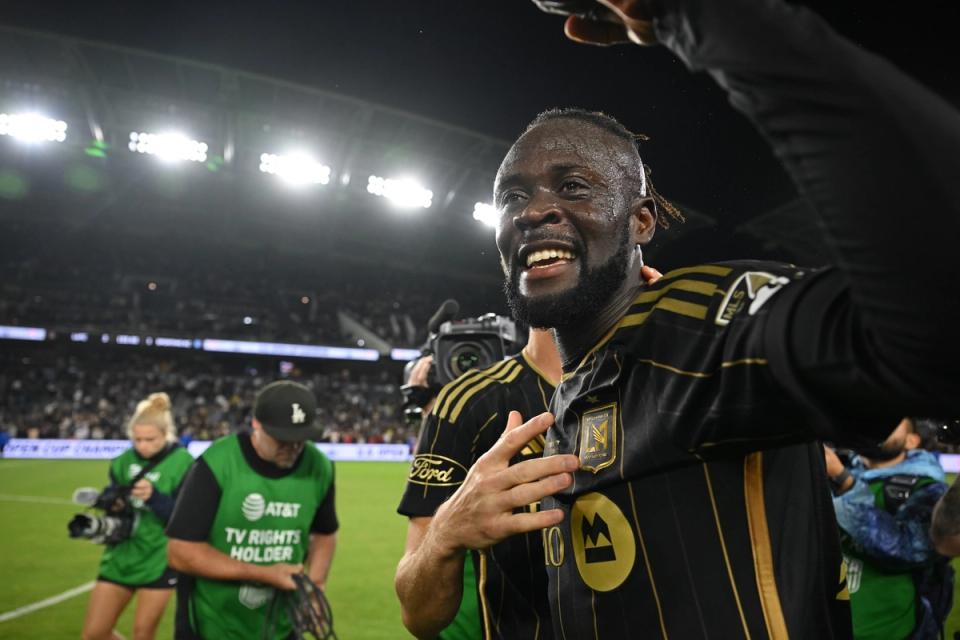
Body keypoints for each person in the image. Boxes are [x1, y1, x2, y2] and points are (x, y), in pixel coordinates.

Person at [424, 0, 960, 637]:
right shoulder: (579, 386)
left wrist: (712, 19)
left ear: (642, 220)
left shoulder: (705, 324)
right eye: (512, 196)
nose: (532, 211)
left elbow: (937, 326)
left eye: (573, 187)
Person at [396, 268, 662, 640]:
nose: (544, 219)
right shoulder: (468, 403)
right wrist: (446, 534)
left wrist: (683, 338)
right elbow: (418, 616)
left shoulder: (666, 380)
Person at [166, 380, 337, 639]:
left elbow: (325, 534)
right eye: (282, 438)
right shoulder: (217, 463)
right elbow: (181, 552)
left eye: (300, 439)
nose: (293, 447)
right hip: (211, 624)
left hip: (282, 622)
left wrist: (316, 585)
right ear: (257, 423)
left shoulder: (320, 466)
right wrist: (264, 574)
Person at [81, 392, 195, 640]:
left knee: (143, 635)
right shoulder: (122, 461)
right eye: (137, 439)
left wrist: (154, 497)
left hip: (160, 557)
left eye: (150, 439)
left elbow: (186, 519)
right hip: (121, 555)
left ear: (166, 434)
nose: (143, 445)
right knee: (94, 633)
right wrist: (113, 503)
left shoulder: (184, 463)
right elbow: (113, 498)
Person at [826, 419, 950, 639]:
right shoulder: (830, 472)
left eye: (892, 420)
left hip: (891, 631)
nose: (879, 425)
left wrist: (845, 483)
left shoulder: (929, 488)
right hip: (825, 624)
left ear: (911, 441)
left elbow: (910, 549)